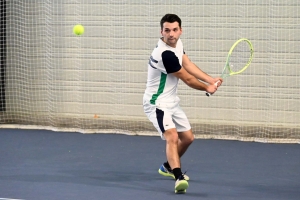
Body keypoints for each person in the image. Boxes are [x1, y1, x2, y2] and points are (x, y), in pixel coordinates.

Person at [143, 14, 222, 194]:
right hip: (156, 103)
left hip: (172, 102)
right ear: (161, 31)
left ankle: (167, 166)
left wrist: (210, 79)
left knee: (187, 138)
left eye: (175, 30)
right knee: (172, 136)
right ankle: (178, 177)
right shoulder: (165, 54)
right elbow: (187, 78)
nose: (171, 34)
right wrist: (207, 88)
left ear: (180, 31)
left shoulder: (177, 44)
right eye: (167, 30)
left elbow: (188, 64)